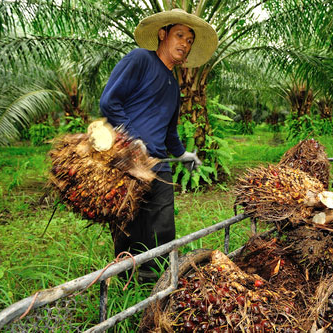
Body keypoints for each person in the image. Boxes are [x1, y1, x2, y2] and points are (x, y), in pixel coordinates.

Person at [99, 9, 218, 282]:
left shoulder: (173, 84)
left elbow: (169, 130)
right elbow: (109, 102)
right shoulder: (140, 59)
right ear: (162, 35)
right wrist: (131, 139)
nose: (185, 44)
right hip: (129, 162)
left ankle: (156, 284)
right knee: (129, 225)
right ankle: (127, 282)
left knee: (162, 227)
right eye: (180, 35)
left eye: (189, 40)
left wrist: (182, 154)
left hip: (159, 165)